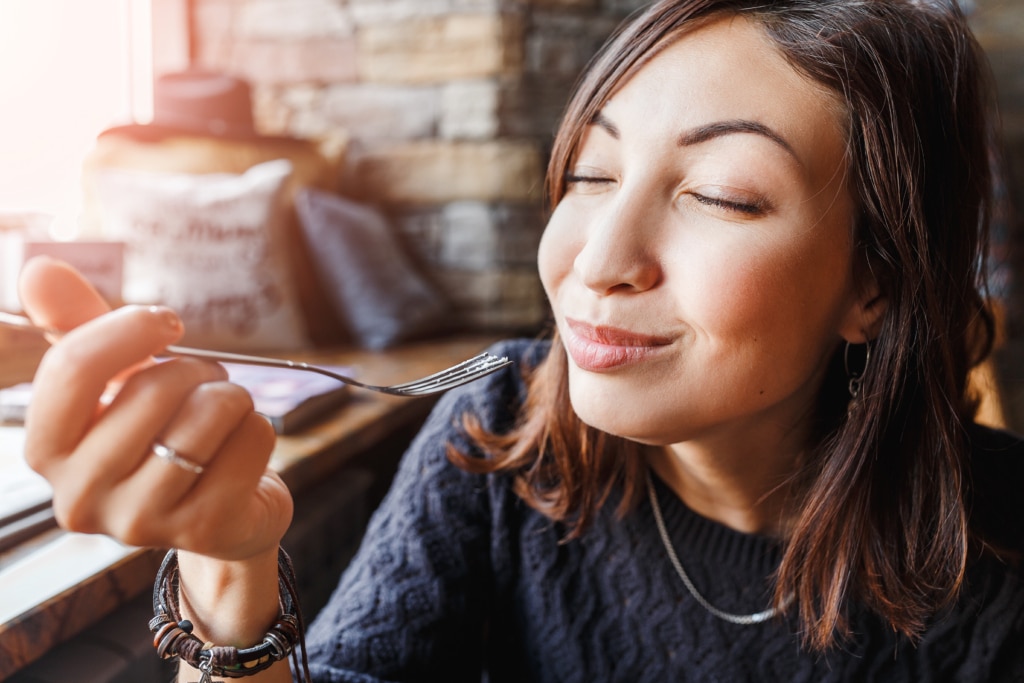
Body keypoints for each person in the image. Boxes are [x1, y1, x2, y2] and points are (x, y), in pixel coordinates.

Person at [18, 0, 1024, 680]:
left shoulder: (994, 560)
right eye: (589, 175)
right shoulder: (498, 426)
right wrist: (229, 561)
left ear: (875, 284)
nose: (597, 260)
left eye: (719, 195)